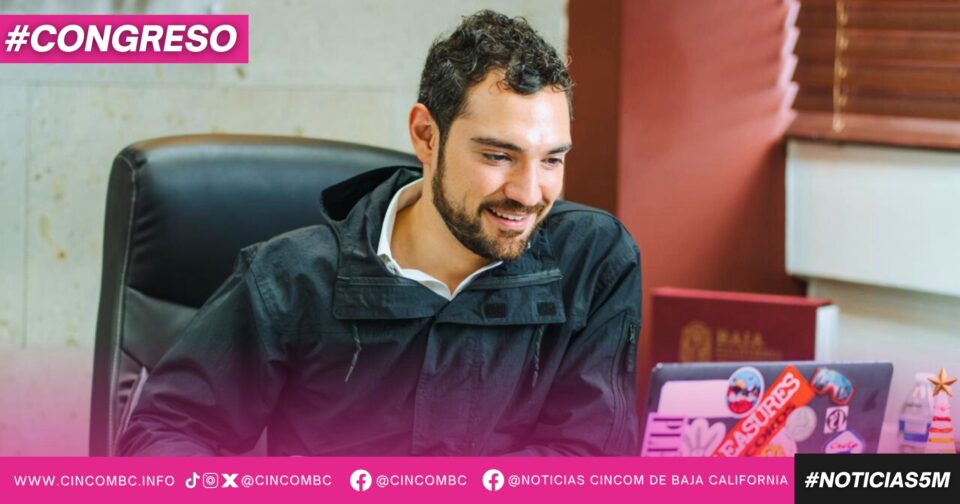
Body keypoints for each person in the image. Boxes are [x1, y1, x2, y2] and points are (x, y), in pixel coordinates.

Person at [119, 9, 641, 456]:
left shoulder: (593, 262)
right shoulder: (289, 280)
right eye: (498, 156)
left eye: (551, 160)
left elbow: (591, 460)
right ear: (426, 135)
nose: (528, 193)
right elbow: (163, 434)